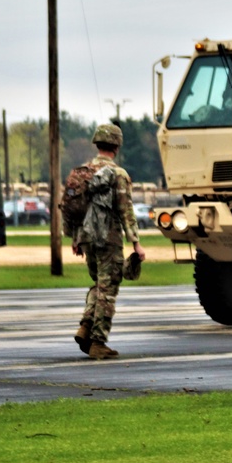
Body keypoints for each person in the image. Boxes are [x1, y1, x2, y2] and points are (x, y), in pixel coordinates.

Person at [71, 123, 146, 359]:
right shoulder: (119, 174)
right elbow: (126, 210)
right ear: (116, 145)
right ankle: (98, 342)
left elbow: (73, 209)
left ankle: (85, 327)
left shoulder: (82, 173)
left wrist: (76, 238)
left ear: (97, 143)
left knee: (99, 284)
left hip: (86, 239)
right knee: (109, 288)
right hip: (109, 239)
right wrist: (136, 243)